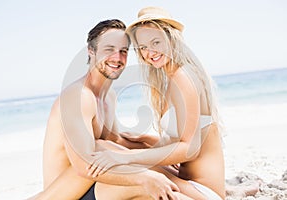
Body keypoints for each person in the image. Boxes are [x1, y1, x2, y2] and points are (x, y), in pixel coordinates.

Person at [29, 19, 187, 200]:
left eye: (123, 51)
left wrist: (154, 146)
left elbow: (116, 143)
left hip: (92, 185)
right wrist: (144, 177)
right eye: (109, 49)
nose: (117, 58)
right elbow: (83, 165)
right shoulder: (78, 97)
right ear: (91, 51)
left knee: (160, 179)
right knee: (154, 187)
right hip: (69, 194)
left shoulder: (109, 96)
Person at [87, 7, 226, 200]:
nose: (149, 52)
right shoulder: (171, 78)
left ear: (171, 39)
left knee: (111, 153)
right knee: (111, 145)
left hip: (202, 192)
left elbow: (190, 150)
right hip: (185, 181)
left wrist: (128, 156)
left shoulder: (183, 78)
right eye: (143, 47)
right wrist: (146, 139)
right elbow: (186, 136)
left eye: (156, 42)